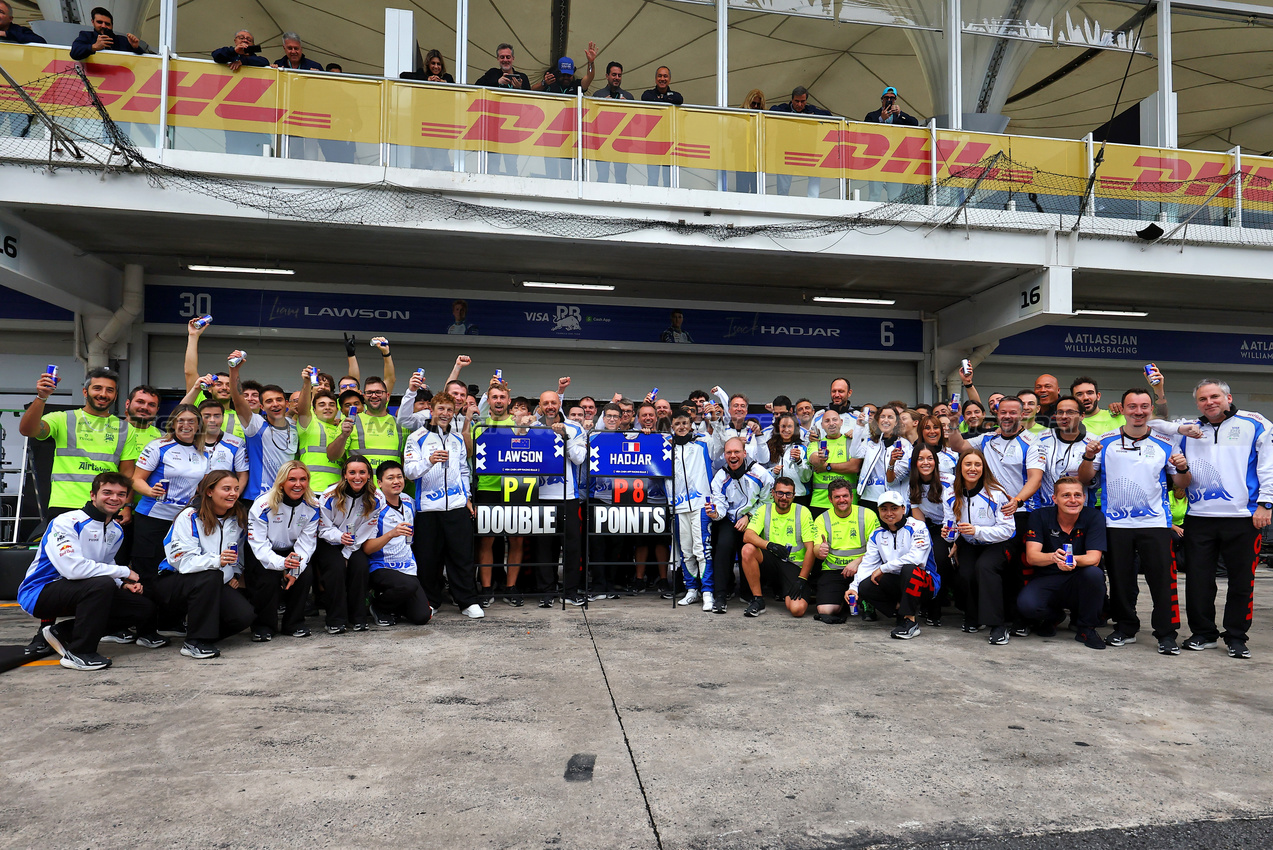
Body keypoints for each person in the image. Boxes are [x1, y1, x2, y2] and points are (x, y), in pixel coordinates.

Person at [1078, 389, 1190, 655]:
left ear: (1151, 408)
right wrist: (1088, 456)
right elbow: (1084, 478)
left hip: (1155, 523)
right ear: (1124, 409)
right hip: (1116, 524)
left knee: (1162, 580)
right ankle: (1125, 628)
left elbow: (1181, 484)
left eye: (1143, 406)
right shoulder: (1104, 441)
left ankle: (1166, 633)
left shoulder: (1165, 442)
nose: (1138, 412)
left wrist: (1184, 468)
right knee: (1120, 580)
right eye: (1132, 406)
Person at [18, 472, 158, 671]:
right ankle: (79, 652)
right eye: (107, 492)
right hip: (39, 592)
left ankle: (62, 633)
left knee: (142, 608)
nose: (114, 498)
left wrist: (124, 584)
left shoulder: (116, 531)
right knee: (102, 584)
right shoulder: (66, 522)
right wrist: (122, 572)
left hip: (84, 589)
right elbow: (73, 569)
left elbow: (105, 563)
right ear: (93, 495)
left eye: (121, 494)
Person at [1179, 379, 1273, 659]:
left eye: (1215, 396)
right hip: (1199, 517)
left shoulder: (1256, 423)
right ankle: (1203, 633)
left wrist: (1266, 504)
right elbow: (1157, 425)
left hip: (1243, 518)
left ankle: (1236, 636)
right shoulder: (1190, 430)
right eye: (1203, 399)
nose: (1210, 402)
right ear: (1197, 403)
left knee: (1242, 581)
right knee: (1198, 580)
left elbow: (1269, 465)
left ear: (1228, 397)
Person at [153, 470, 256, 659]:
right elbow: (181, 561)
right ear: (209, 491)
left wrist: (234, 574)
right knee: (211, 575)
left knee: (244, 616)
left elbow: (238, 553)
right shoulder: (189, 516)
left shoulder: (236, 517)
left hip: (214, 582)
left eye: (235, 488)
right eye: (226, 489)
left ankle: (200, 630)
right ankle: (195, 641)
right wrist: (217, 561)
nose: (233, 493)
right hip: (174, 582)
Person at [404, 391, 484, 618]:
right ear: (432, 409)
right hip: (429, 508)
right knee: (429, 558)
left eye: (450, 410)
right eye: (441, 409)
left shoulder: (457, 438)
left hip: (457, 506)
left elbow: (464, 471)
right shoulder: (416, 437)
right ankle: (430, 601)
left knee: (462, 557)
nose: (445, 414)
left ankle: (467, 601)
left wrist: (467, 497)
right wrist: (429, 461)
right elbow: (409, 472)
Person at [18, 365, 130, 519]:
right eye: (97, 388)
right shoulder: (62, 418)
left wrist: (125, 506)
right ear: (85, 392)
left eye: (109, 390)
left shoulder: (125, 428)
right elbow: (27, 430)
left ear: (116, 395)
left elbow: (126, 475)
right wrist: (42, 397)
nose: (103, 394)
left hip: (105, 506)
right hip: (65, 504)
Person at [1019, 477, 1109, 651]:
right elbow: (1032, 556)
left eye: (1077, 495)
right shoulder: (1040, 516)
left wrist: (1071, 560)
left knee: (1094, 574)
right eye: (1066, 495)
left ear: (1084, 497)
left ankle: (1086, 628)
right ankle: (1054, 616)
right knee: (1027, 606)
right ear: (1055, 499)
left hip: (1079, 576)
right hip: (1048, 576)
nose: (1073, 500)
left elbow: (1093, 558)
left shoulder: (1094, 517)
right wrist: (1054, 558)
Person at [129, 404, 209, 590]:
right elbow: (135, 479)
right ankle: (146, 615)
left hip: (180, 522)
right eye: (181, 420)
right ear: (173, 424)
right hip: (152, 518)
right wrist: (150, 491)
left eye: (191, 421)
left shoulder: (203, 453)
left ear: (198, 426)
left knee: (174, 570)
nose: (186, 425)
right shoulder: (158, 446)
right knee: (147, 571)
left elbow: (202, 489)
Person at [943, 449, 1016, 643]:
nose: (972, 468)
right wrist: (948, 535)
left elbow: (1008, 529)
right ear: (960, 468)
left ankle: (998, 625)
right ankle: (973, 616)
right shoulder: (950, 493)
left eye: (977, 464)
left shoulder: (996, 493)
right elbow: (951, 525)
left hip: (998, 543)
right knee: (965, 573)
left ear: (984, 468)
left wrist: (977, 531)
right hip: (969, 542)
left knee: (984, 567)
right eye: (968, 464)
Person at [245, 460, 319, 641]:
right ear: (281, 482)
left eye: (303, 479)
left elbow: (306, 543)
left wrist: (294, 569)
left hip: (292, 550)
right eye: (292, 479)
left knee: (305, 573)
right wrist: (280, 564)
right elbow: (259, 545)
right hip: (263, 550)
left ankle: (293, 623)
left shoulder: (313, 506)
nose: (298, 484)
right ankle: (264, 625)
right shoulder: (263, 505)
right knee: (267, 575)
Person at [849, 490, 936, 640]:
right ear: (879, 511)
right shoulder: (877, 534)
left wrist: (883, 568)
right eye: (884, 509)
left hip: (925, 583)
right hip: (897, 583)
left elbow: (916, 559)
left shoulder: (918, 526)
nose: (889, 513)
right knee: (865, 585)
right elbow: (868, 564)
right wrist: (853, 588)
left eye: (894, 508)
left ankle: (910, 622)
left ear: (904, 509)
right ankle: (900, 611)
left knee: (909, 569)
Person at [531, 387, 590, 606]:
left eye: (553, 402)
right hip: (540, 496)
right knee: (544, 548)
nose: (549, 407)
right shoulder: (533, 427)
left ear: (559, 404)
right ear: (540, 405)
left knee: (572, 547)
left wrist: (563, 437)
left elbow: (579, 458)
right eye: (545, 403)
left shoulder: (574, 427)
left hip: (568, 495)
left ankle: (571, 590)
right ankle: (546, 592)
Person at [471, 376, 525, 606]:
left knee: (516, 540)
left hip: (517, 489)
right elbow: (470, 456)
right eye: (494, 397)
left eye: (503, 396)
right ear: (489, 401)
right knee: (487, 541)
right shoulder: (478, 425)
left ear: (509, 400)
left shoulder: (520, 423)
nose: (499, 400)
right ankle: (486, 588)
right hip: (487, 488)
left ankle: (510, 587)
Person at [708, 436, 773, 613]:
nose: (733, 455)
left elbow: (768, 501)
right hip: (729, 519)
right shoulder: (720, 476)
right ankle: (720, 596)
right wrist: (715, 513)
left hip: (754, 518)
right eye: (729, 452)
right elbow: (719, 504)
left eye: (737, 452)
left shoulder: (760, 473)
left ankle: (749, 593)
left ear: (744, 453)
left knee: (748, 546)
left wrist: (749, 516)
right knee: (722, 546)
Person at [363, 461, 432, 626]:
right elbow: (367, 548)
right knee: (407, 585)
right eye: (390, 478)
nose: (396, 481)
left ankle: (393, 604)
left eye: (399, 477)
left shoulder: (409, 502)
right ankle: (377, 605)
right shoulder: (373, 507)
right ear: (379, 483)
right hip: (381, 567)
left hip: (408, 568)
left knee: (422, 616)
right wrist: (391, 534)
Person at [313, 455, 377, 633]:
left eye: (362, 472)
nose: (358, 477)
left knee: (360, 567)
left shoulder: (376, 498)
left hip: (355, 542)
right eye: (352, 472)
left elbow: (368, 530)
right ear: (344, 475)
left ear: (369, 475)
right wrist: (339, 538)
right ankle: (335, 619)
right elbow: (322, 528)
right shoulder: (328, 496)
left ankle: (358, 617)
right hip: (329, 540)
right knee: (335, 568)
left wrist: (347, 553)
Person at [739, 477, 817, 618]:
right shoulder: (764, 509)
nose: (784, 498)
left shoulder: (803, 511)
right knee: (748, 549)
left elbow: (810, 549)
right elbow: (747, 535)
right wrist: (769, 545)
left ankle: (799, 590)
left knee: (797, 610)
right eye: (780, 493)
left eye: (788, 494)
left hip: (794, 566)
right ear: (773, 493)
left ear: (794, 495)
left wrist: (802, 579)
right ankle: (758, 600)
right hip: (771, 562)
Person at [229, 352, 299, 501]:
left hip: (286, 497)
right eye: (269, 401)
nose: (275, 404)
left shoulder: (294, 426)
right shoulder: (256, 425)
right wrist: (234, 370)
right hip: (258, 498)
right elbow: (238, 400)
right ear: (262, 406)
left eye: (279, 399)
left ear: (286, 403)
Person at [811, 478, 879, 623]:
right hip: (834, 570)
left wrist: (857, 562)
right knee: (825, 611)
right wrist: (820, 551)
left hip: (863, 569)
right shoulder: (822, 519)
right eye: (837, 497)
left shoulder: (867, 515)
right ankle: (844, 600)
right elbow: (816, 549)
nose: (842, 500)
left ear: (852, 497)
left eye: (845, 496)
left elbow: (878, 550)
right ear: (830, 499)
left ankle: (867, 602)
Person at [670, 407, 717, 610]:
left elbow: (719, 446)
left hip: (700, 505)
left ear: (691, 424)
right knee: (686, 551)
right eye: (677, 424)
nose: (681, 427)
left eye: (685, 423)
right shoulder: (667, 448)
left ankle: (708, 592)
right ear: (672, 426)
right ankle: (692, 590)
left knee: (702, 549)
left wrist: (714, 421)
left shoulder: (703, 443)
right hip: (679, 506)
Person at [907, 445, 955, 625]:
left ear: (936, 461)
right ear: (915, 462)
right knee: (930, 556)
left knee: (942, 558)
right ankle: (932, 607)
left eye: (930, 458)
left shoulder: (949, 480)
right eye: (921, 459)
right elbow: (920, 522)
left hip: (958, 525)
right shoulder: (912, 484)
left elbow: (961, 509)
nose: (926, 462)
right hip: (933, 528)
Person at [1026, 395, 1089, 511]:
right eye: (1060, 412)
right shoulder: (1040, 438)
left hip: (1078, 510)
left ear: (1082, 415)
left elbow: (1091, 479)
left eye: (1070, 412)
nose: (1064, 416)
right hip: (1045, 509)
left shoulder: (1092, 442)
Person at [476, 43, 531, 177]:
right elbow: (476, 87)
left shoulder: (522, 77)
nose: (505, 60)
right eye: (502, 57)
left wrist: (520, 90)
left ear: (513, 58)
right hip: (493, 126)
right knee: (492, 165)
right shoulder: (493, 73)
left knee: (511, 165)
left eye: (508, 57)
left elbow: (530, 103)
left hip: (512, 128)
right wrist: (497, 83)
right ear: (497, 59)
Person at [770, 86, 832, 197]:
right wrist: (789, 115)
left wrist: (810, 116)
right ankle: (782, 204)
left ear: (806, 101)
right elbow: (772, 110)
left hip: (806, 154)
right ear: (792, 100)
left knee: (815, 173)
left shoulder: (811, 110)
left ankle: (813, 200)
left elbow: (828, 115)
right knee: (783, 188)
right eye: (796, 101)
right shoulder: (784, 108)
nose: (799, 104)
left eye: (802, 101)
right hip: (786, 154)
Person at [851, 404, 911, 509]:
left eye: (890, 417)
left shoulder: (905, 445)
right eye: (882, 417)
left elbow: (895, 478)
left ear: (896, 422)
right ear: (877, 421)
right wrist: (859, 427)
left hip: (892, 499)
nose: (885, 420)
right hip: (869, 497)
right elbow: (855, 453)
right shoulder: (870, 441)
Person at [296, 368, 344, 493]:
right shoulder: (309, 423)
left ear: (337, 409)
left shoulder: (341, 428)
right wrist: (307, 383)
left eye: (331, 405)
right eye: (322, 405)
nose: (327, 407)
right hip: (312, 490)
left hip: (337, 492)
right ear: (314, 409)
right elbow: (302, 409)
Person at [807, 409, 855, 514]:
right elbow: (813, 460)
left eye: (835, 420)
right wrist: (820, 460)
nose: (831, 423)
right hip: (820, 502)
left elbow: (854, 467)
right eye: (827, 421)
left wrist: (827, 466)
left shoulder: (851, 442)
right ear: (822, 425)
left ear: (841, 422)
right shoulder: (815, 443)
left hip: (848, 502)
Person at [593, 61, 634, 184]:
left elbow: (637, 122)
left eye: (619, 75)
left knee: (621, 178)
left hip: (621, 143)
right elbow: (590, 119)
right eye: (614, 74)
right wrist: (601, 105)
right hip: (602, 142)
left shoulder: (628, 96)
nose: (617, 78)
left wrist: (628, 107)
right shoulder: (598, 95)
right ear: (607, 76)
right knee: (602, 176)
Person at [641, 66, 682, 187]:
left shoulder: (674, 95)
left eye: (665, 76)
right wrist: (666, 100)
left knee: (668, 179)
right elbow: (646, 98)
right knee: (652, 178)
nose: (662, 79)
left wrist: (661, 99)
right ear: (655, 79)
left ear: (669, 79)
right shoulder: (648, 93)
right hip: (652, 141)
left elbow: (679, 98)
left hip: (668, 141)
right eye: (660, 76)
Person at [766, 413, 812, 504]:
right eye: (783, 426)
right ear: (777, 428)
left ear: (795, 428)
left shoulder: (803, 448)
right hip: (775, 496)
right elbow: (760, 471)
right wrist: (772, 472)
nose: (786, 430)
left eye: (790, 426)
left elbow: (807, 478)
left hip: (798, 496)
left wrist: (799, 461)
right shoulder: (768, 447)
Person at [70, 7, 143, 60]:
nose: (104, 26)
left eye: (107, 24)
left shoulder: (123, 40)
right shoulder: (86, 36)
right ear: (93, 22)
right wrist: (93, 47)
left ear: (112, 25)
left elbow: (145, 60)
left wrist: (135, 48)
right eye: (99, 22)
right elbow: (74, 53)